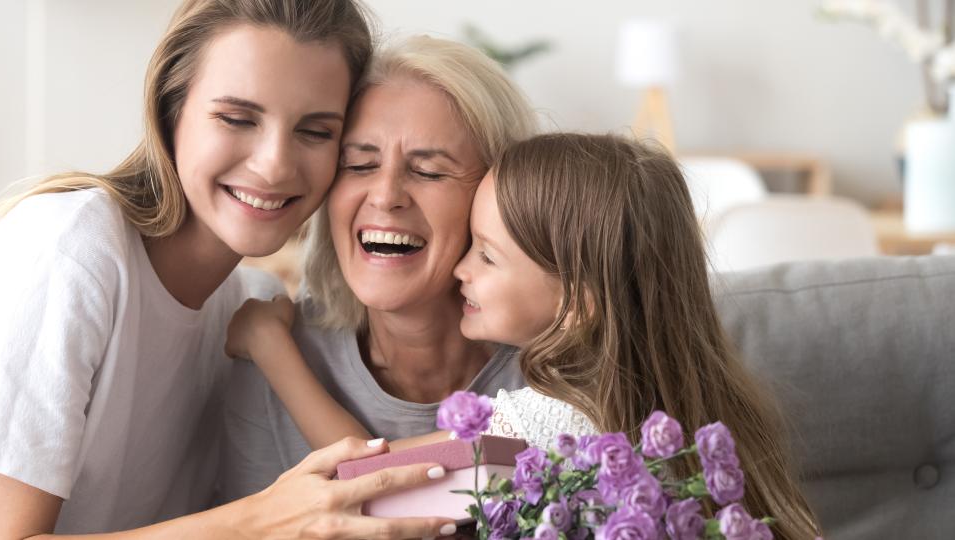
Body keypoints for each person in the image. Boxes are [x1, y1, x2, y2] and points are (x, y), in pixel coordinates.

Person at [0, 1, 461, 538]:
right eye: (236, 118)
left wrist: (521, 445)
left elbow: (396, 480)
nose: (274, 164)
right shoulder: (72, 248)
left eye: (315, 132)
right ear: (171, 110)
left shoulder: (247, 310)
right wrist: (263, 520)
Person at [230, 133, 822, 539]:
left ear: (578, 305)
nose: (461, 270)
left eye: (485, 255)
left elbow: (368, 482)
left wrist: (271, 346)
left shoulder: (553, 426)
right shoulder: (695, 405)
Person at [218, 34, 537, 501]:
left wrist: (273, 350)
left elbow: (387, 485)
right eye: (359, 164)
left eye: (429, 172)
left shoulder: (557, 371)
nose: (386, 196)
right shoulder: (272, 362)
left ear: (499, 195)